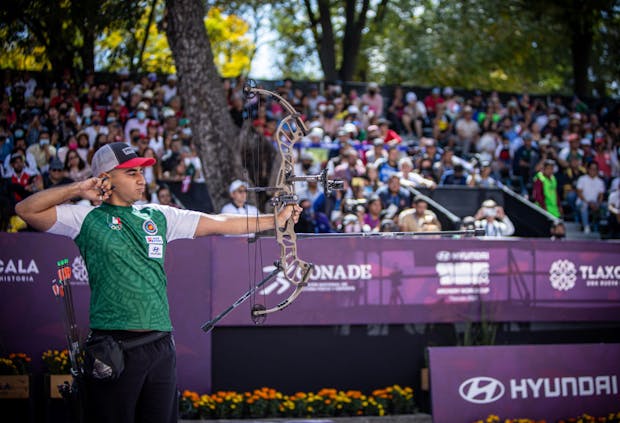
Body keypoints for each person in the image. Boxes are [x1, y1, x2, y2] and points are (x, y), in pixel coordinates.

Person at [15, 142, 301, 423]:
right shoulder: (86, 217)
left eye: (142, 172)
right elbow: (26, 210)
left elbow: (220, 222)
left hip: (160, 345)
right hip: (113, 346)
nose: (142, 180)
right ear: (105, 178)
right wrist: (79, 188)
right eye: (131, 173)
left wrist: (275, 220)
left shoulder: (158, 215)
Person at [575, 161, 606, 233]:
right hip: (583, 202)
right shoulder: (582, 179)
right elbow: (579, 193)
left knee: (604, 205)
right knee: (584, 206)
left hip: (594, 202)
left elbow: (601, 195)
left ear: (597, 170)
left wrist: (598, 204)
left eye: (595, 169)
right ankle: (586, 227)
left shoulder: (600, 181)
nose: (593, 171)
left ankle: (600, 227)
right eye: (591, 169)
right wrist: (588, 202)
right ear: (588, 169)